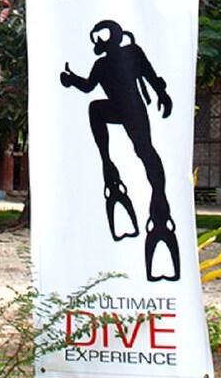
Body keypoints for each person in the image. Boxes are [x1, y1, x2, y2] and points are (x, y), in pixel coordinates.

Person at [60, 19, 180, 281]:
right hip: (117, 109)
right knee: (95, 109)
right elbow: (89, 87)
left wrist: (163, 94)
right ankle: (108, 165)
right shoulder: (100, 65)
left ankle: (159, 198)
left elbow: (150, 75)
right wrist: (71, 81)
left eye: (99, 38)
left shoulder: (132, 53)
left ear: (109, 37)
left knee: (144, 151)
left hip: (135, 110)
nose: (96, 43)